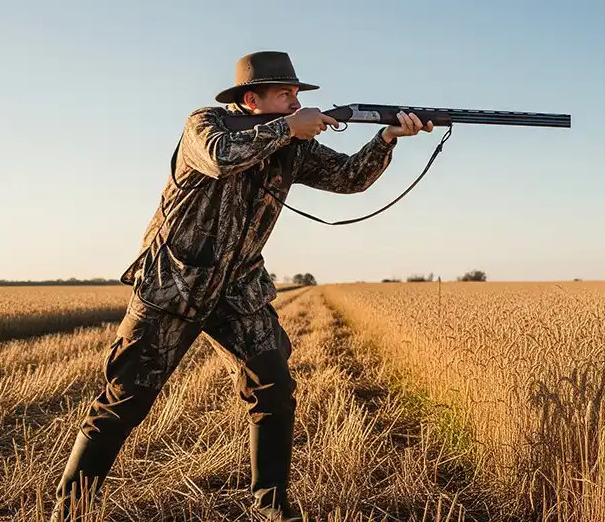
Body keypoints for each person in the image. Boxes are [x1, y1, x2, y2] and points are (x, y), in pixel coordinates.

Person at [51, 51, 432, 521]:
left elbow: (348, 179)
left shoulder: (293, 144)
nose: (296, 102)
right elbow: (218, 158)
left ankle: (271, 506)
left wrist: (388, 137)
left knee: (273, 388)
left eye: (297, 94)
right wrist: (289, 129)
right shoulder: (206, 123)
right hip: (176, 283)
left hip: (239, 290)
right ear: (251, 99)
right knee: (124, 398)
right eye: (285, 94)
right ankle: (71, 510)